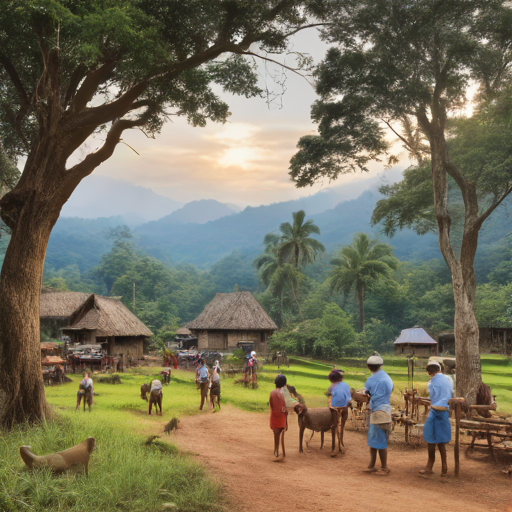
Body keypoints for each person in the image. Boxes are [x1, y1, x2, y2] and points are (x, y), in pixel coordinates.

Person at [420, 361, 453, 476]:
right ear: (439, 369)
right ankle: (444, 466)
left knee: (430, 439)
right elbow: (449, 393)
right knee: (441, 440)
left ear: (429, 372)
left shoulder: (431, 382)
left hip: (434, 410)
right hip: (444, 410)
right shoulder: (449, 378)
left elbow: (433, 398)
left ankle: (429, 466)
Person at [364, 354, 393, 475]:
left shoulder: (378, 379)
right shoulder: (384, 378)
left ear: (368, 367)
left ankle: (384, 467)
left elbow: (374, 395)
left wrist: (366, 395)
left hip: (380, 412)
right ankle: (372, 465)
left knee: (380, 440)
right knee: (373, 439)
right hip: (380, 411)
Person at [327, 369, 351, 453]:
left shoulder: (332, 386)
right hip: (344, 408)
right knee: (342, 426)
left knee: (334, 426)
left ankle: (334, 448)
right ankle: (341, 443)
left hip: (334, 409)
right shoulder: (346, 385)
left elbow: (330, 398)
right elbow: (348, 399)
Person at [269, 374, 288, 462]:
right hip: (283, 416)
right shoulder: (285, 392)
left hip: (275, 416)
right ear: (284, 384)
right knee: (281, 433)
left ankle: (276, 450)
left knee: (276, 434)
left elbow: (271, 405)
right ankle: (281, 451)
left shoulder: (272, 392)